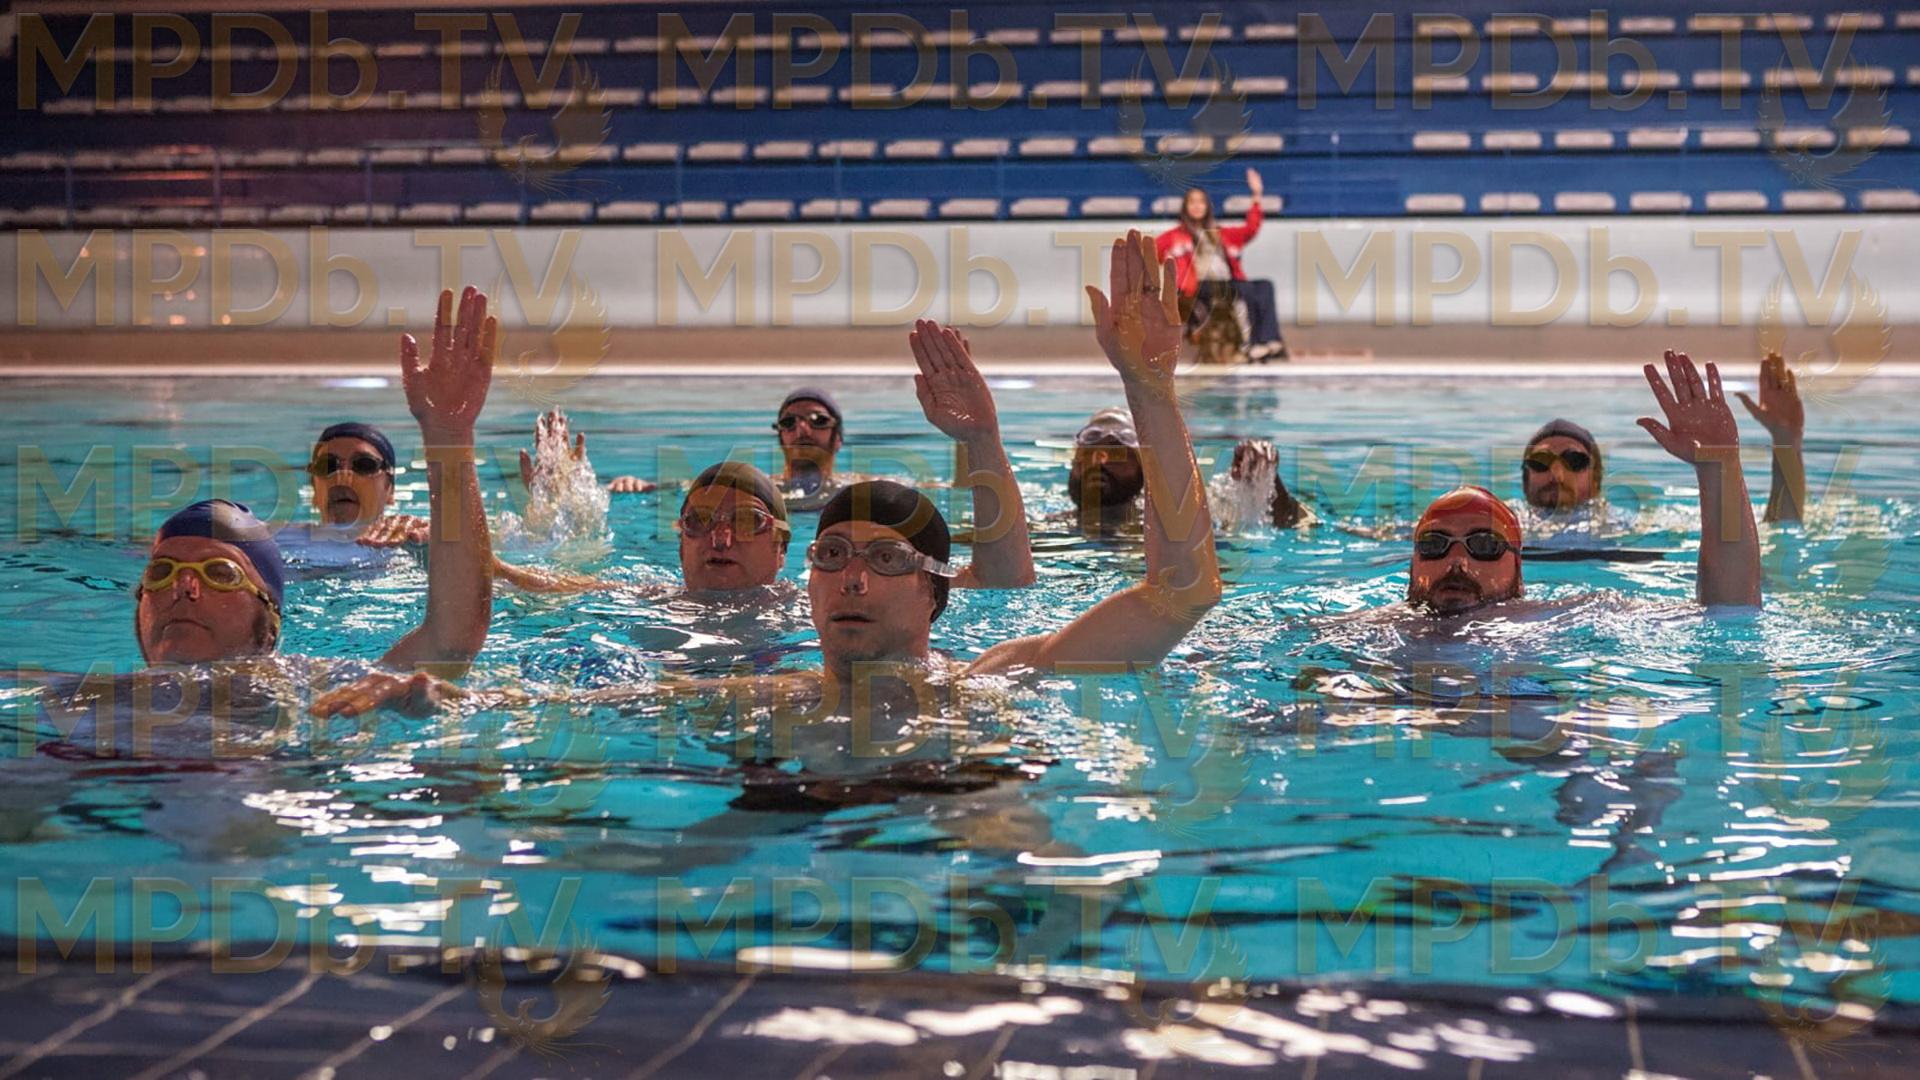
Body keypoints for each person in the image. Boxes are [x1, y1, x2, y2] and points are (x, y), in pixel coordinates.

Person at [316, 230, 1218, 717]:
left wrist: (1149, 389)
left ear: (936, 595)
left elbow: (1180, 590)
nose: (852, 580)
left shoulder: (997, 678)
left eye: (885, 560)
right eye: (834, 559)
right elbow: (547, 702)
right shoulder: (756, 699)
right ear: (808, 578)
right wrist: (437, 693)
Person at [1394, 351, 1761, 623]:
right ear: (1412, 567)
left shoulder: (1556, 620)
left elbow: (1727, 610)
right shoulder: (1370, 628)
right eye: (1434, 544)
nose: (1457, 561)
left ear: (1519, 573)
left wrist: (1718, 469)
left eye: (1486, 545)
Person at [1156, 167, 1287, 363]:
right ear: (1185, 207)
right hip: (1196, 287)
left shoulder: (1221, 234)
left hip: (1227, 283)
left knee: (1265, 286)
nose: (1197, 206)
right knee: (1243, 289)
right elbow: (1148, 255)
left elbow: (1250, 229)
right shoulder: (1174, 236)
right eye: (1192, 202)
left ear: (1207, 206)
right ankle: (1251, 344)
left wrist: (1257, 195)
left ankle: (1268, 339)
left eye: (1201, 202)